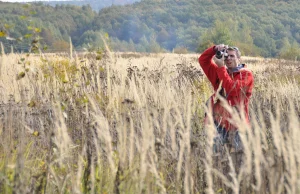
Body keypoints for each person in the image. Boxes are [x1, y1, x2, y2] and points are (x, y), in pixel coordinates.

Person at [198, 44, 254, 153]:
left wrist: (221, 68)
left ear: (239, 58)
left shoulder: (246, 75)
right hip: (218, 123)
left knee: (237, 159)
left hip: (238, 124)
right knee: (216, 158)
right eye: (226, 56)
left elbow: (232, 90)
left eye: (232, 56)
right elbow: (203, 60)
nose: (228, 58)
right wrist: (215, 49)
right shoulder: (220, 71)